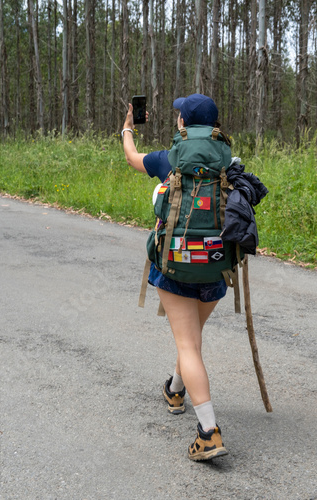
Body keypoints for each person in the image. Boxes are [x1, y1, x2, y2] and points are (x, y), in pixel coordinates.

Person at [122, 94, 229, 461]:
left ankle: (208, 433)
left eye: (179, 115)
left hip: (174, 265)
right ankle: (175, 390)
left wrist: (127, 127)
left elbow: (132, 158)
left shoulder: (167, 160)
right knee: (191, 340)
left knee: (188, 345)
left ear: (183, 123)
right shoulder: (229, 163)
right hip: (215, 268)